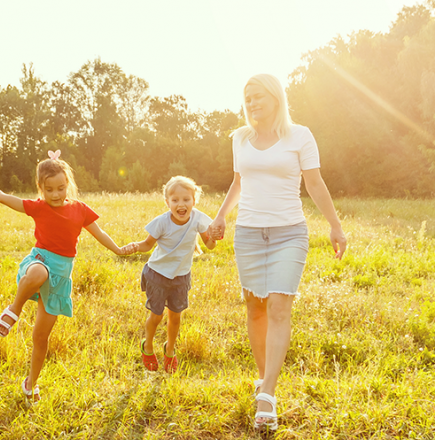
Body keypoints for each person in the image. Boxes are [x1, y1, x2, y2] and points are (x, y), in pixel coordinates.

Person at [208, 74, 347, 432]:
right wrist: (221, 216)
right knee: (255, 306)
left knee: (280, 305)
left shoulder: (300, 136)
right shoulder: (241, 139)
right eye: (247, 98)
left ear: (275, 98)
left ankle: (267, 394)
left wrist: (335, 225)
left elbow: (314, 182)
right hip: (249, 234)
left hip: (289, 233)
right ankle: (264, 379)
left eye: (259, 97)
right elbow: (238, 183)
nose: (252, 103)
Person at [0, 150, 126, 403]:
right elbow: (4, 197)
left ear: (68, 185)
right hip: (39, 262)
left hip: (61, 275)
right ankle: (12, 311)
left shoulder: (80, 210)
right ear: (40, 188)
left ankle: (31, 383)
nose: (55, 194)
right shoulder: (38, 207)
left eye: (61, 188)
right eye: (49, 189)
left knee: (41, 337)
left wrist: (118, 249)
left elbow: (100, 233)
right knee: (39, 273)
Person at [122, 176, 215, 374]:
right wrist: (133, 246)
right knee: (156, 316)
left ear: (194, 201)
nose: (181, 204)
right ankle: (147, 347)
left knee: (176, 316)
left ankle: (169, 350)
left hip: (181, 276)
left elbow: (210, 245)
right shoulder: (162, 222)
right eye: (175, 200)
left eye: (186, 200)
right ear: (167, 202)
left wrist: (214, 237)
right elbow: (147, 245)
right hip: (158, 274)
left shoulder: (199, 218)